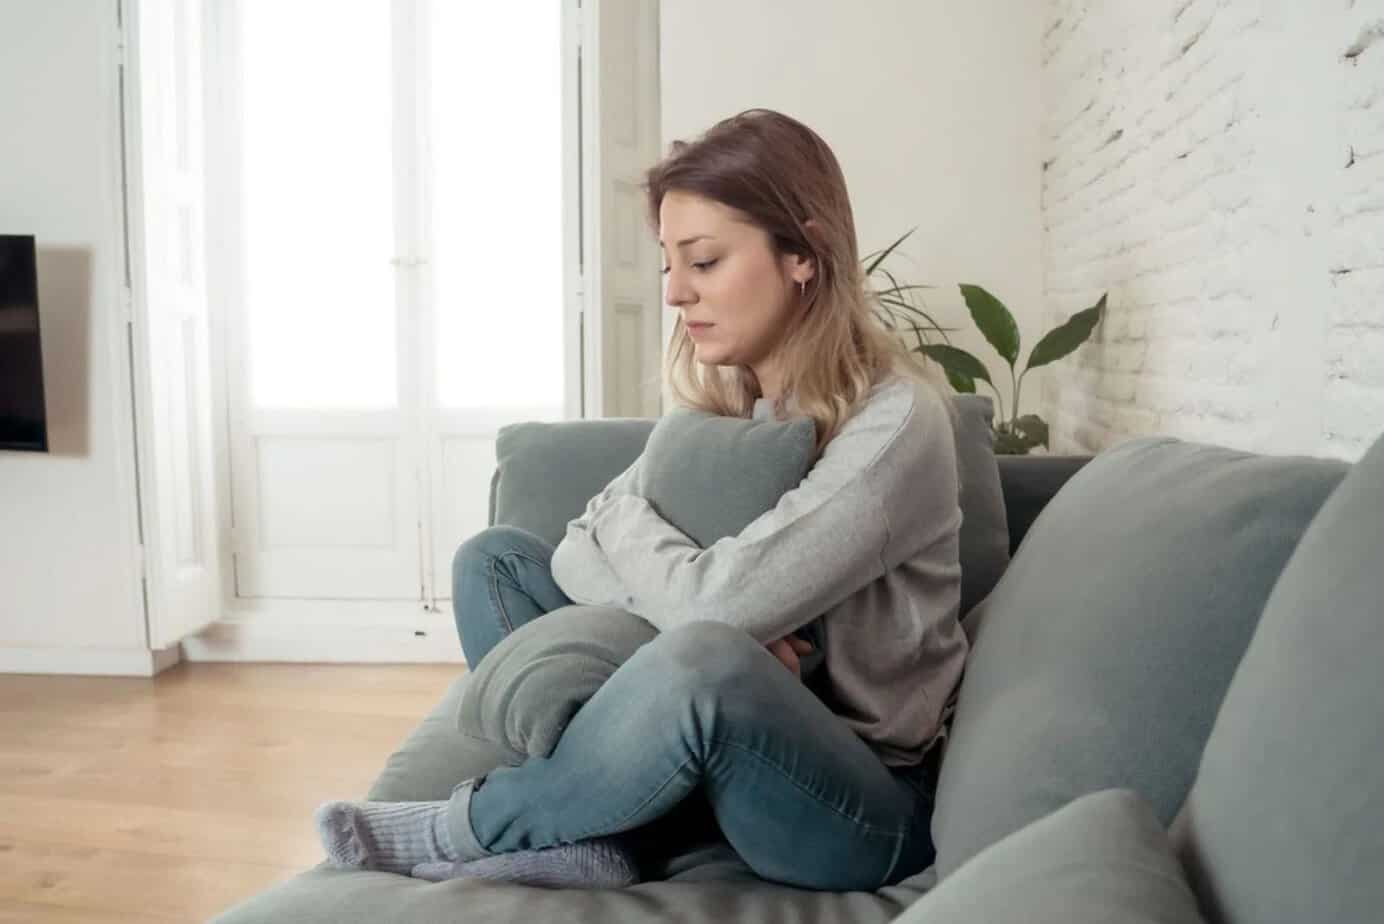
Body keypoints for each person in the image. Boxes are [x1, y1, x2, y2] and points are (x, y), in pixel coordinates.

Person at [315, 108, 968, 892]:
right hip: (719, 738)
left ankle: (470, 826)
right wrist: (694, 610)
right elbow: (575, 549)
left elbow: (709, 599)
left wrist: (685, 596)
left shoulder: (895, 423)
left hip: (858, 802)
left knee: (708, 654)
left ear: (803, 252)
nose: (673, 294)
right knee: (496, 565)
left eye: (704, 261)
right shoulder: (728, 400)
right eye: (668, 263)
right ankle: (602, 833)